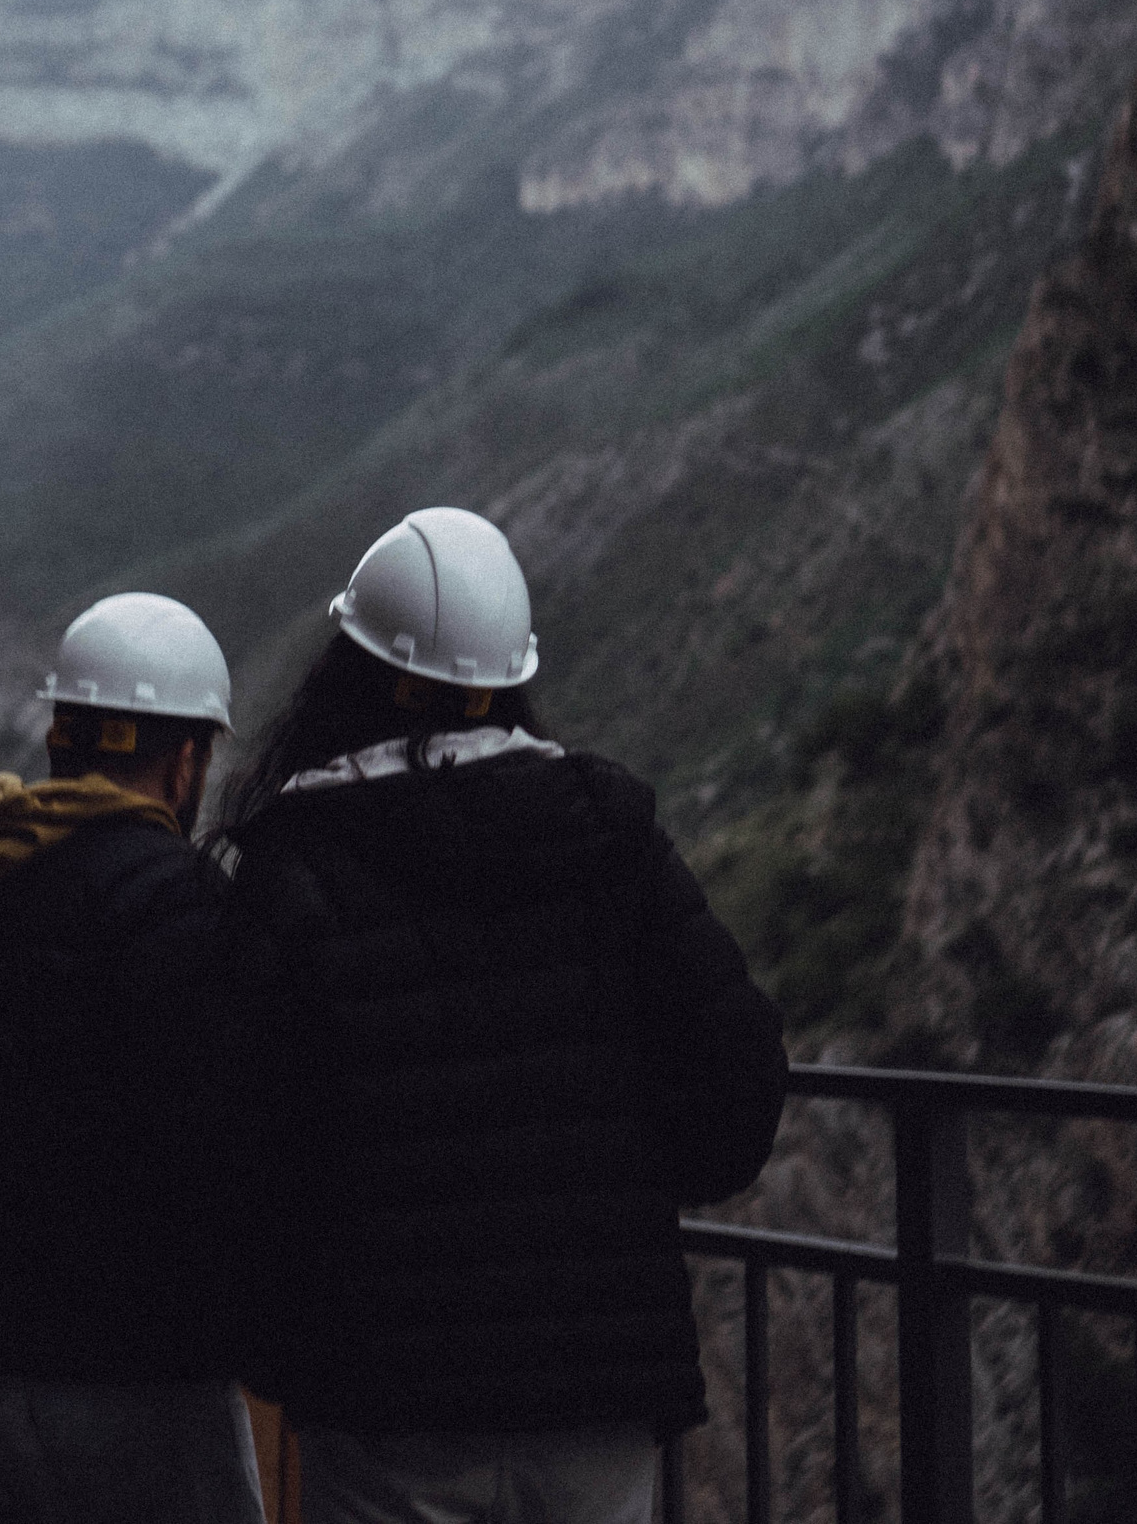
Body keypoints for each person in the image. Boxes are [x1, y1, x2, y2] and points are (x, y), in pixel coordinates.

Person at [220, 508, 787, 1524]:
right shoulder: (608, 830)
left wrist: (289, 1345)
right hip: (598, 1388)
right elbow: (733, 1083)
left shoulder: (292, 864)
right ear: (510, 674)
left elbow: (248, 1146)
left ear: (350, 672)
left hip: (386, 1393)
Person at [0, 592, 266, 1524]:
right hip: (140, 1380)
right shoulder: (188, 906)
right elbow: (228, 1134)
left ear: (61, 742)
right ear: (186, 760)